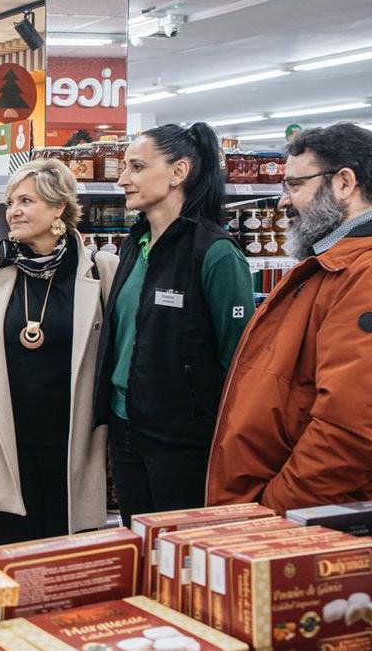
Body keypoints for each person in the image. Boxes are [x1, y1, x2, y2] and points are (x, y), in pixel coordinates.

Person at [207, 123, 372, 512]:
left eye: (294, 185)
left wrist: (279, 509)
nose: (283, 202)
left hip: (343, 522)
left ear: (344, 182)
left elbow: (353, 427)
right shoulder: (339, 262)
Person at [93, 122, 254, 525]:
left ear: (178, 172)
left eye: (136, 167)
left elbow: (239, 359)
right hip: (125, 425)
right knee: (140, 544)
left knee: (178, 554)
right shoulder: (135, 243)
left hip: (182, 438)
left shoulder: (215, 254)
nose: (123, 179)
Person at [0, 159, 116, 544]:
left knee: (64, 544)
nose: (14, 211)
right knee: (5, 540)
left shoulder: (99, 270)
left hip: (73, 434)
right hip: (4, 430)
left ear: (58, 207)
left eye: (26, 200)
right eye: (10, 202)